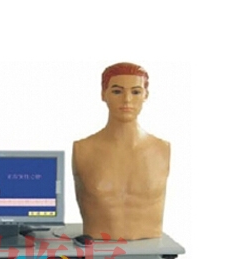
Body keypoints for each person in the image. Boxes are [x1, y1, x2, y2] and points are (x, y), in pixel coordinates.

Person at [72, 62, 170, 240]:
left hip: (150, 246)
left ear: (146, 95)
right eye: (117, 91)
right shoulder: (83, 149)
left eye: (136, 92)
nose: (127, 100)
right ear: (104, 94)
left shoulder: (162, 149)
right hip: (98, 245)